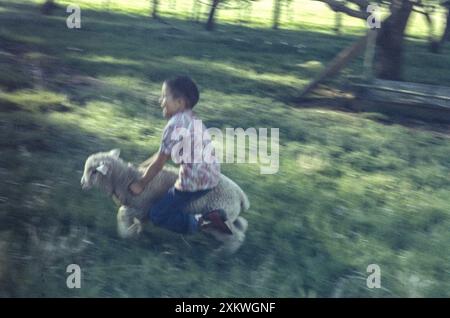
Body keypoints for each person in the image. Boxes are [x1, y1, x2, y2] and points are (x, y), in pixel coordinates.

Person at [129, 76, 231, 235]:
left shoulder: (173, 125)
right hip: (211, 175)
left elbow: (159, 163)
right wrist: (142, 166)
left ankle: (203, 222)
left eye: (164, 96)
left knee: (158, 214)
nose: (160, 100)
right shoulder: (193, 118)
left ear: (180, 102)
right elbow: (163, 154)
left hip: (193, 181)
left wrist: (141, 183)